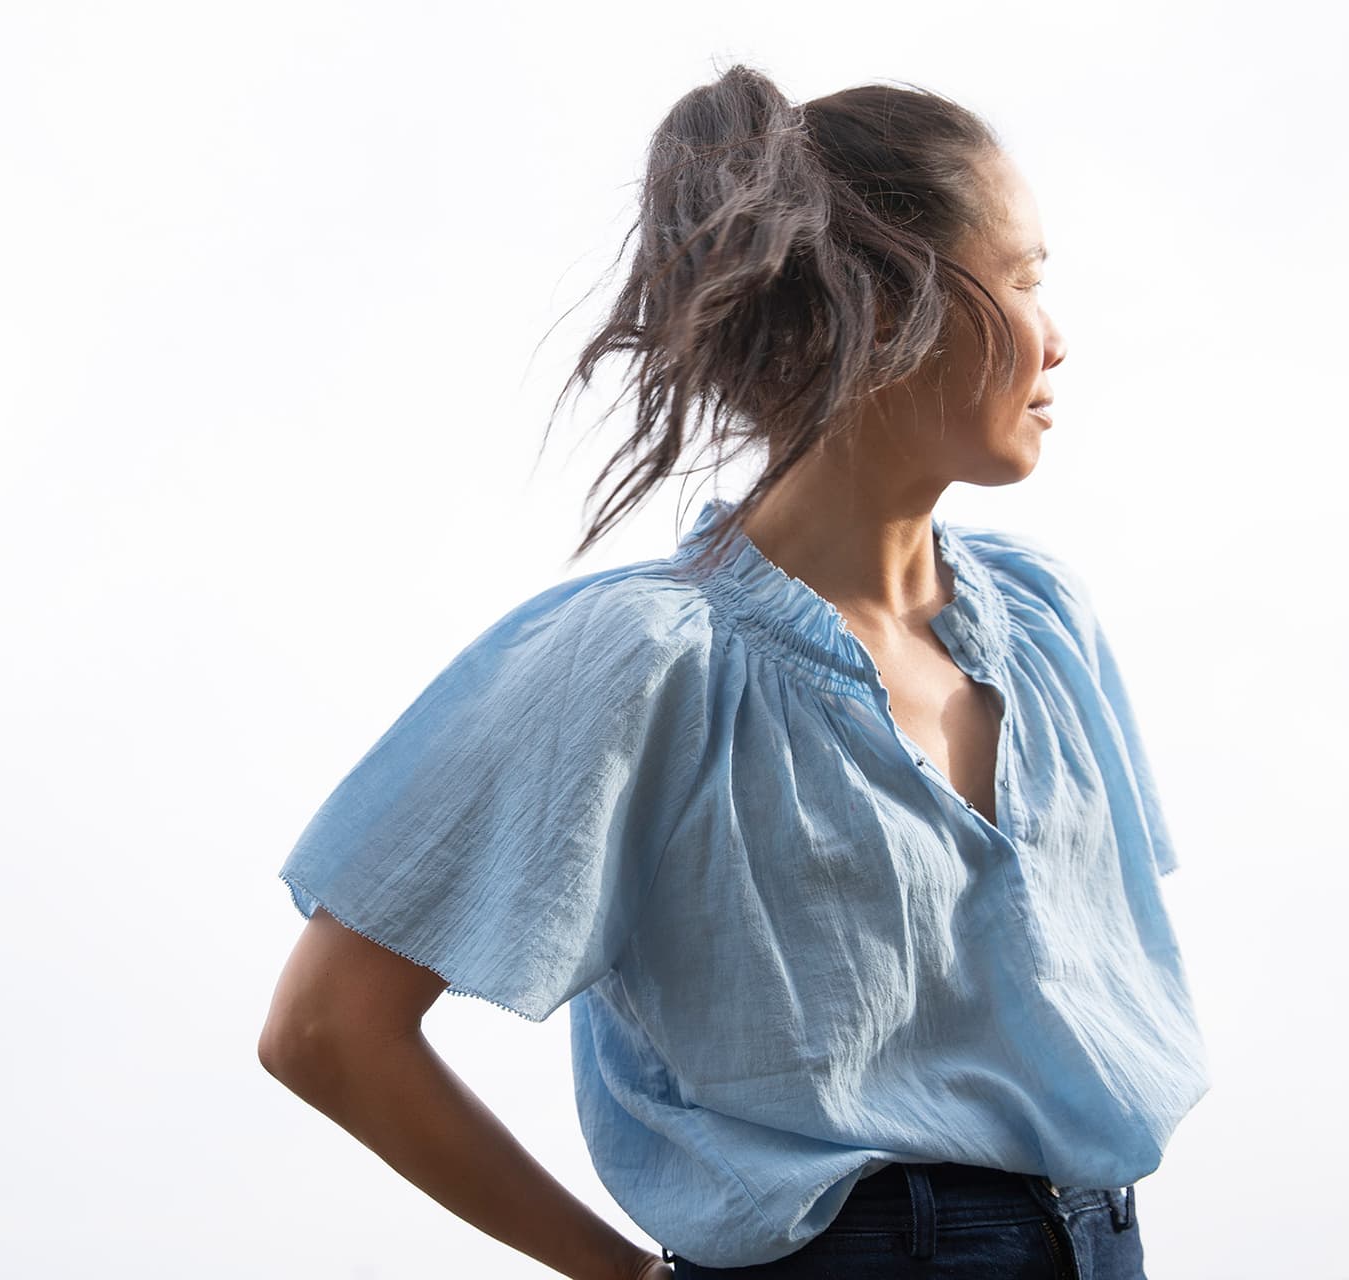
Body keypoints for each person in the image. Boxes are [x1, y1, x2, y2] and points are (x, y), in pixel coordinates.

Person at [257, 62, 1210, 1279]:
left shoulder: (1046, 621)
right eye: (1020, 277)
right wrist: (622, 1273)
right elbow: (328, 1027)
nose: (1057, 334)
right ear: (881, 305)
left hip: (1103, 1239)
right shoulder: (646, 659)